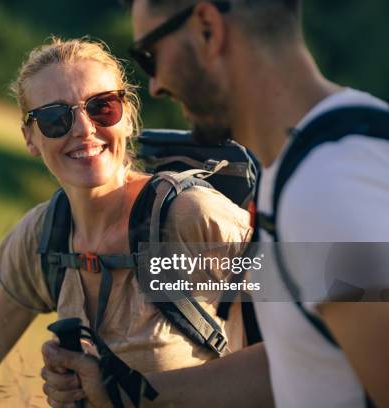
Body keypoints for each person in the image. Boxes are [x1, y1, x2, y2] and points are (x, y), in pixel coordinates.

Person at [41, 1, 389, 407]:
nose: (155, 86)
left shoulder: (328, 186)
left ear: (207, 28)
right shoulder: (304, 162)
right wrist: (126, 393)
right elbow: (307, 356)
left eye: (150, 56)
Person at [0, 37, 253, 407]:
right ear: (30, 137)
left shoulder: (191, 218)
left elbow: (298, 341)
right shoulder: (46, 236)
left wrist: (127, 394)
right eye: (55, 118)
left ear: (126, 116)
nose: (83, 129)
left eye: (102, 107)